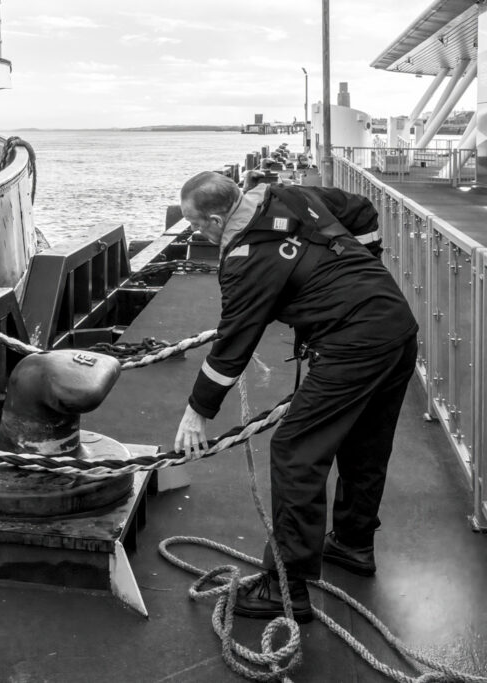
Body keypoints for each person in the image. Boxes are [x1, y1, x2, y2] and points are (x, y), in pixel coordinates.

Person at [173, 171, 418, 623]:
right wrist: (361, 265)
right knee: (365, 441)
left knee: (295, 450)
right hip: (395, 323)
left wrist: (197, 412)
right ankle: (352, 543)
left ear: (212, 219)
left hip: (353, 343)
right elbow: (360, 210)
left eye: (193, 225)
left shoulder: (245, 259)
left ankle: (284, 587)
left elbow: (233, 344)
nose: (195, 233)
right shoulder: (288, 194)